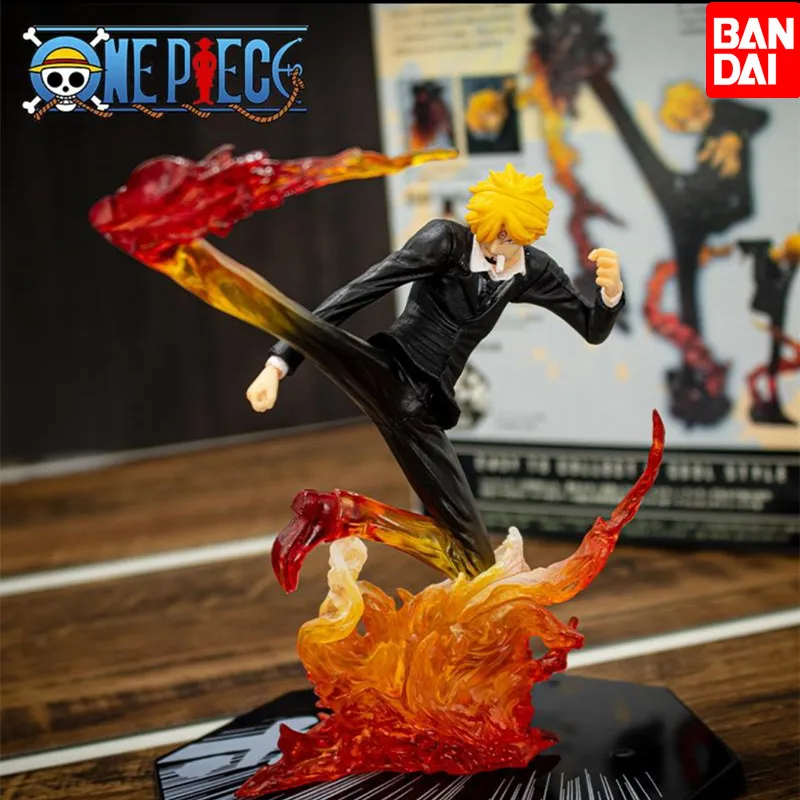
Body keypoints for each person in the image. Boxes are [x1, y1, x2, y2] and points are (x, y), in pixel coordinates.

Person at [246, 164, 625, 582]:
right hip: (386, 372)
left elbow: (592, 328)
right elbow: (362, 289)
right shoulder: (445, 242)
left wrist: (610, 294)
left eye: (511, 237)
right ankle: (225, 286)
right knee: (312, 332)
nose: (499, 244)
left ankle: (345, 516)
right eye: (495, 232)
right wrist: (276, 366)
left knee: (476, 553)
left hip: (424, 412)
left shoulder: (530, 270)